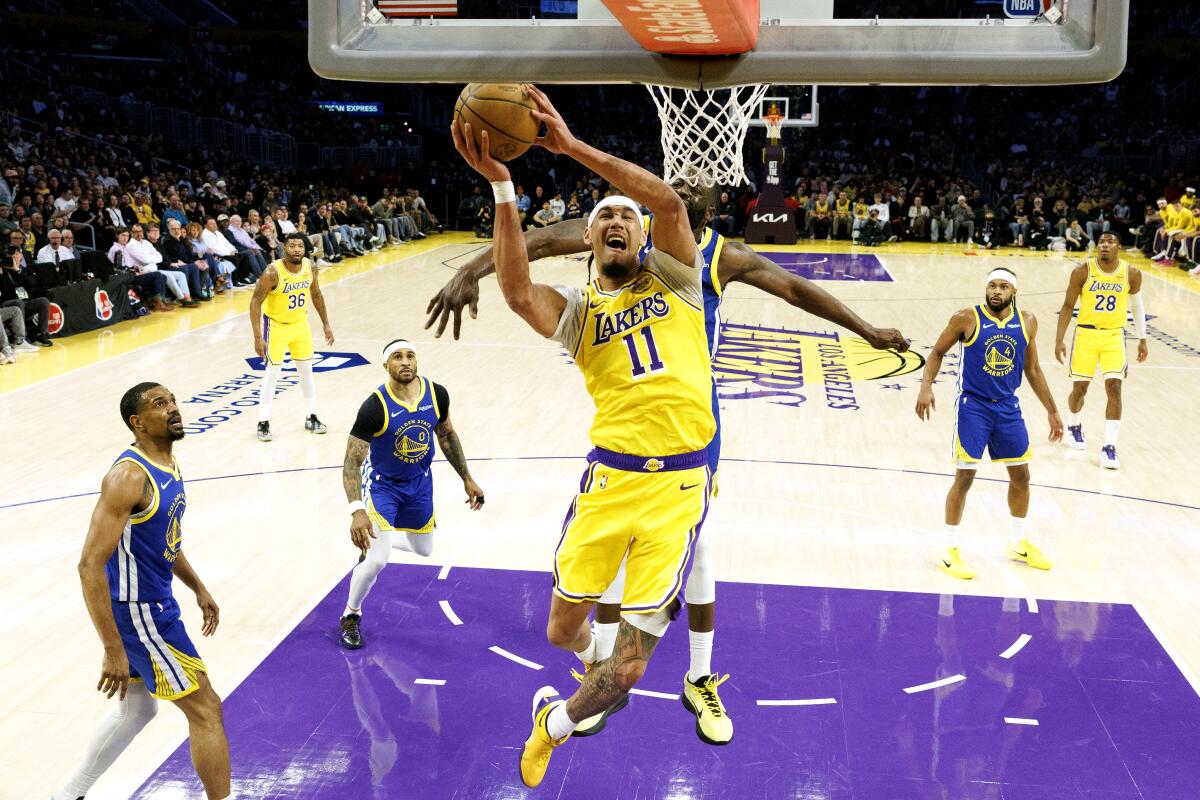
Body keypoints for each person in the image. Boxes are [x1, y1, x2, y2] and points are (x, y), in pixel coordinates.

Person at [424, 181, 909, 745]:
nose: (692, 181)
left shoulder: (713, 252)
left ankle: (698, 677)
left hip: (691, 422)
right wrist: (472, 270)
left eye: (705, 175)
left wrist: (867, 330)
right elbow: (532, 245)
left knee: (696, 548)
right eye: (681, 173)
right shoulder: (618, 231)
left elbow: (795, 290)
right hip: (626, 421)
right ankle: (602, 666)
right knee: (610, 555)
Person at [453, 86, 760, 788]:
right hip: (609, 482)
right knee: (563, 632)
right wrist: (503, 187)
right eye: (605, 217)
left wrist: (571, 147)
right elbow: (519, 292)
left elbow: (673, 204)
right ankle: (581, 679)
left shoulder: (679, 279)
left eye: (628, 214)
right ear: (588, 239)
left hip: (679, 489)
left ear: (644, 234)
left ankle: (553, 727)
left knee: (625, 671)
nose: (619, 218)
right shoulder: (580, 311)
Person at [51, 383, 230, 800]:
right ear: (137, 422)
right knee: (206, 710)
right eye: (158, 405)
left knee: (138, 709)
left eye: (172, 401)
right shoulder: (129, 476)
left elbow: (163, 539)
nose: (172, 409)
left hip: (152, 603)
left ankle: (68, 794)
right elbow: (89, 565)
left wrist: (197, 586)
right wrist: (113, 647)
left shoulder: (167, 461)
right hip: (141, 612)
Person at [916, 269, 1063, 580]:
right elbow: (937, 352)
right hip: (974, 407)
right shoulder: (966, 318)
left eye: (1003, 286)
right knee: (965, 477)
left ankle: (1017, 542)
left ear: (1014, 292)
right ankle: (950, 550)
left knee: (1022, 475)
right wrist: (926, 385)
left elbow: (1033, 369)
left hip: (1008, 407)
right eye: (992, 285)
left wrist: (1051, 409)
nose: (997, 291)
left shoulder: (1028, 321)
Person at [337, 339, 485, 649]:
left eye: (410, 356)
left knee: (424, 550)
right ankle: (351, 615)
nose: (405, 362)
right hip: (382, 484)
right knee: (378, 560)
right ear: (386, 365)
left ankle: (382, 539)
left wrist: (467, 478)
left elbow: (446, 435)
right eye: (397, 357)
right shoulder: (375, 406)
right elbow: (352, 460)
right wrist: (357, 510)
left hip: (420, 482)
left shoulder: (436, 394)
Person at [1054, 231, 1148, 469]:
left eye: (1110, 242)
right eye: (1101, 242)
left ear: (1119, 246)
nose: (1104, 245)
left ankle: (1109, 446)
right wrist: (1059, 340)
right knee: (1079, 391)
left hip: (1114, 336)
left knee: (1115, 387)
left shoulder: (1131, 273)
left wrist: (1142, 338)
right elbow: (1067, 306)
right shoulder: (1082, 271)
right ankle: (1074, 425)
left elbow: (1137, 307)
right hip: (1086, 335)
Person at [249, 233, 334, 442]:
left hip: (300, 325)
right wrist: (257, 336)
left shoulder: (310, 267)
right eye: (292, 246)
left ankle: (311, 416)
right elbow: (255, 302)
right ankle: (263, 421)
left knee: (306, 372)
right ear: (284, 248)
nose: (297, 249)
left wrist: (326, 324)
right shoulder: (272, 272)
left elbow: (316, 294)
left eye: (300, 246)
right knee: (272, 374)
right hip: (276, 327)